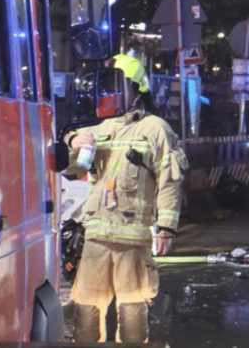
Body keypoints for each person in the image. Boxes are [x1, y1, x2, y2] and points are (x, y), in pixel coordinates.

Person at [65, 54, 187, 343]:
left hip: (132, 238)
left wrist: (167, 228)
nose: (111, 91)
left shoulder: (155, 129)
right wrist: (72, 141)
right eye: (107, 84)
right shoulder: (100, 128)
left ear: (136, 89)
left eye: (118, 84)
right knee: (87, 304)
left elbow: (170, 181)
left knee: (131, 306)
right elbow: (70, 167)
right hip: (96, 235)